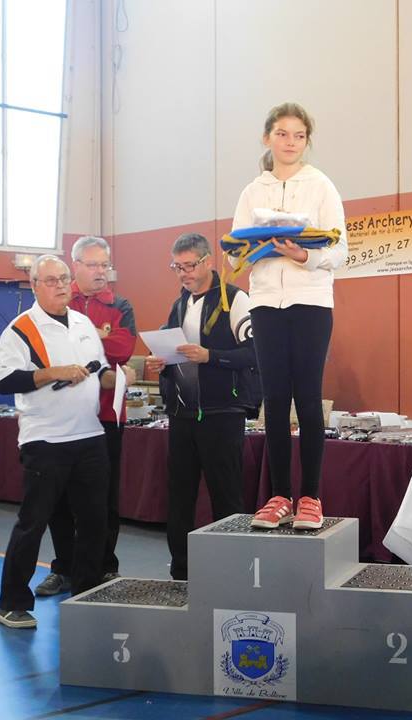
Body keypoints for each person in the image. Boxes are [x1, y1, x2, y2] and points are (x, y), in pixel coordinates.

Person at [0, 255, 135, 629]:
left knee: (94, 521)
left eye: (63, 279)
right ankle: (11, 602)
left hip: (89, 435)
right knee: (33, 522)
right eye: (51, 280)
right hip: (45, 439)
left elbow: (98, 374)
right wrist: (52, 373)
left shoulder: (84, 324)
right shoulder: (20, 330)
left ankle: (85, 592)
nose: (59, 286)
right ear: (34, 285)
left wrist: (123, 377)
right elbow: (5, 381)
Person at [231, 102, 348, 530]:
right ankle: (280, 495)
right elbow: (236, 249)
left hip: (311, 301)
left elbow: (340, 250)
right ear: (267, 138)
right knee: (275, 400)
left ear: (307, 141)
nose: (290, 142)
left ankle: (311, 497)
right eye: (282, 134)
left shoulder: (321, 186)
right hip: (265, 303)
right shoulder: (252, 192)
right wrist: (251, 249)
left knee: (308, 398)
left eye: (299, 135)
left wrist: (304, 255)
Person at [144, 233, 258, 580]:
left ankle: (234, 573)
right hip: (182, 414)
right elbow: (172, 349)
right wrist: (160, 362)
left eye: (189, 266)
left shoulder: (236, 300)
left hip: (222, 413)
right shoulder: (179, 305)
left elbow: (256, 354)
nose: (184, 274)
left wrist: (212, 356)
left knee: (226, 496)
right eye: (177, 267)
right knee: (179, 496)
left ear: (208, 261)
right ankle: (181, 571)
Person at [34, 236, 136, 597]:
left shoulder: (120, 305)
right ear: (74, 265)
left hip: (106, 416)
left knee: (103, 499)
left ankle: (104, 567)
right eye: (92, 264)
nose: (100, 271)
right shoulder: (60, 299)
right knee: (59, 498)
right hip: (62, 416)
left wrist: (82, 340)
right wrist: (94, 341)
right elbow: (47, 349)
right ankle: (63, 567)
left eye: (104, 264)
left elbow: (124, 348)